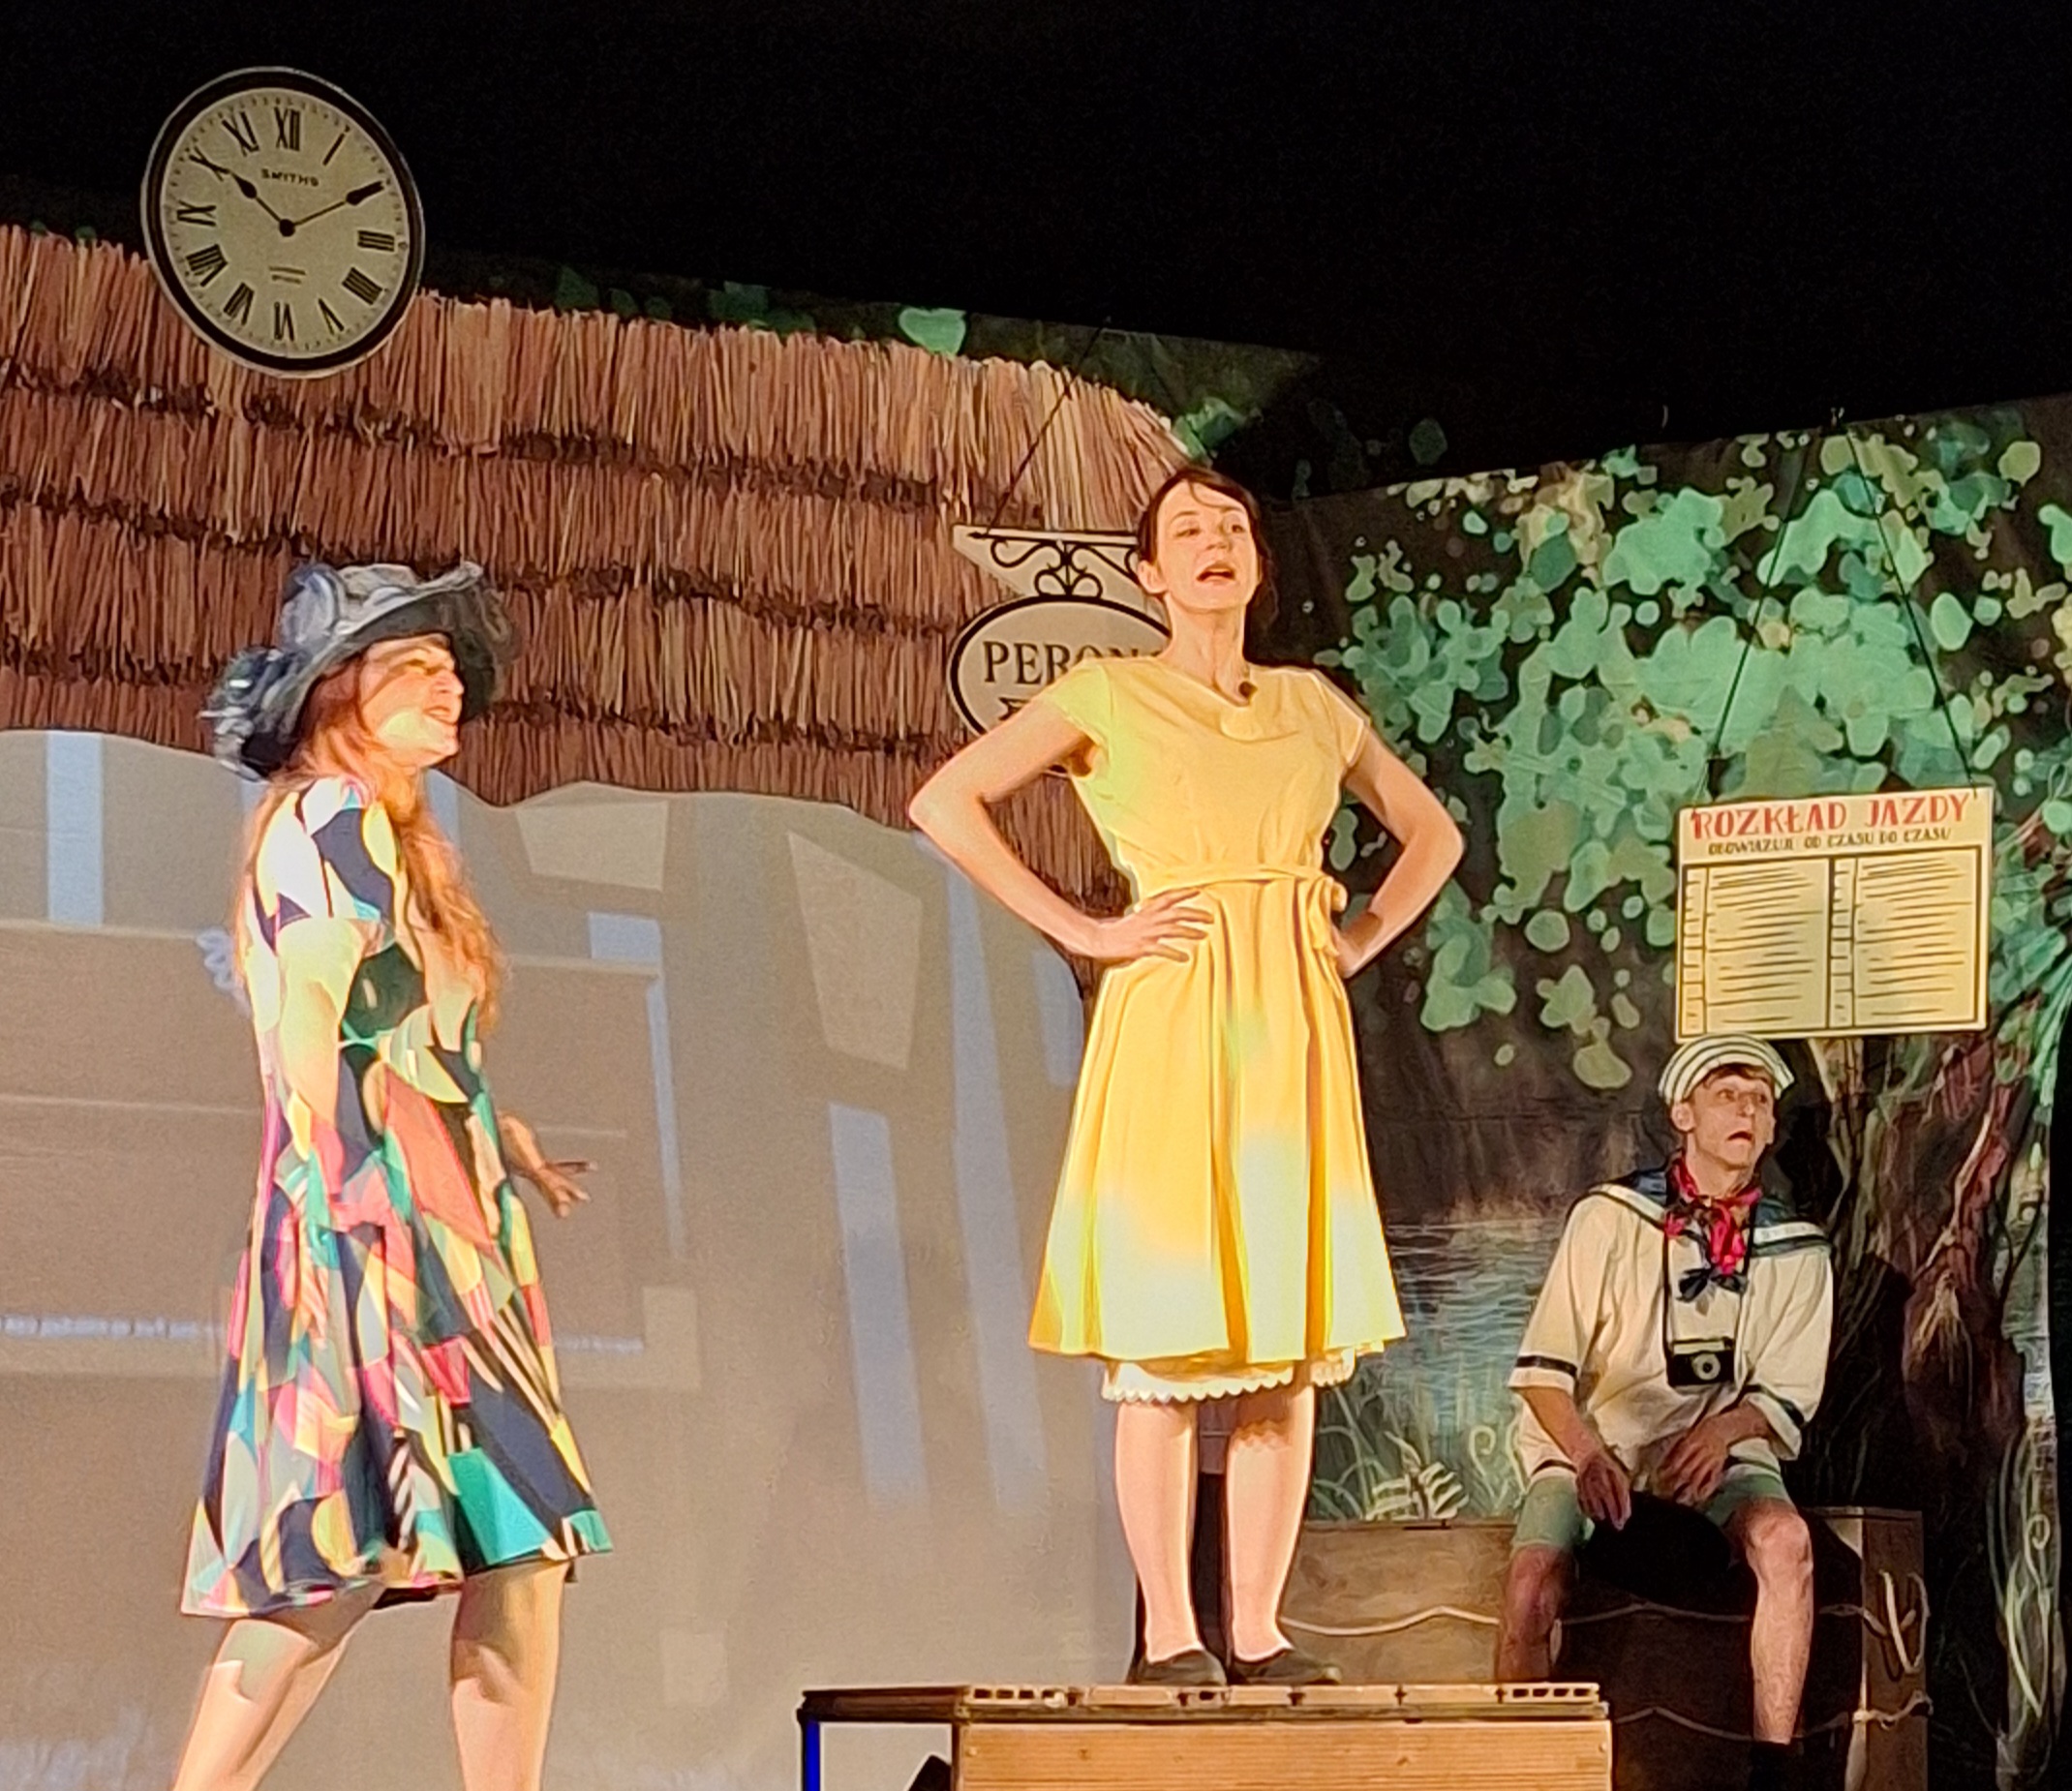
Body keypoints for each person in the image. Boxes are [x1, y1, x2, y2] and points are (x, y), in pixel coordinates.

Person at [909, 467, 1463, 1685]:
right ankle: (1170, 1629)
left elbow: (1434, 832)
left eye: (1232, 526)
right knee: (1164, 1341)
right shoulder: (1107, 690)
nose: (1215, 542)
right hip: (1173, 1007)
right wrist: (1084, 928)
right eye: (1187, 530)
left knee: (1287, 1341)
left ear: (1256, 559)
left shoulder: (1310, 704)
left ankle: (1257, 1626)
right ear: (1149, 572)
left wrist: (1356, 939)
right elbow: (946, 800)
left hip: (1292, 1023)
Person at [173, 562, 610, 1791]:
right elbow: (306, 1015)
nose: (448, 681)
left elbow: (399, 1033)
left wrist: (499, 1137)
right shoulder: (333, 816)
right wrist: (340, 1176)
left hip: (439, 1217)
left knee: (507, 1541)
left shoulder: (382, 834)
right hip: (382, 1220)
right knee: (342, 1549)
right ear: (338, 691)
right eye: (414, 664)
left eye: (450, 664)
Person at [1495, 1035, 1833, 1791]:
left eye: (1759, 1101)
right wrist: (1588, 1454)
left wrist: (1722, 1430)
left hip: (1715, 1456)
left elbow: (1785, 1391)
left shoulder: (1797, 1246)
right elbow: (1544, 1376)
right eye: (1726, 1095)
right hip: (1592, 1446)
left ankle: (1773, 1769)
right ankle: (1518, 1767)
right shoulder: (1609, 1218)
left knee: (1785, 1542)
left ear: (1771, 1128)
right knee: (1531, 1582)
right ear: (1684, 1114)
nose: (1745, 1111)